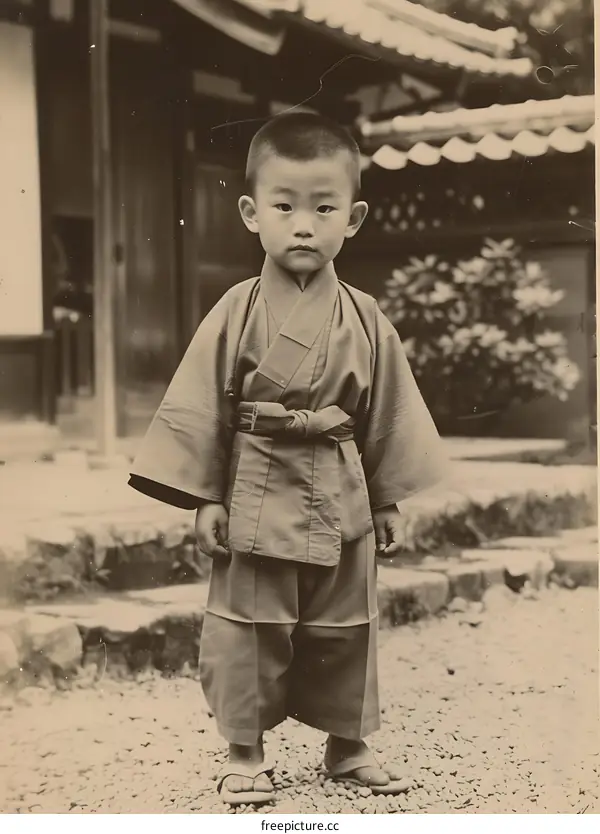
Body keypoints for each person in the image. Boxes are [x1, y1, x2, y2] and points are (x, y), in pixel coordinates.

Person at [128, 111, 448, 807]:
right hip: (254, 488)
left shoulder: (366, 317)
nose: (304, 225)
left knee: (347, 621)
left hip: (340, 487)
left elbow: (387, 411)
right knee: (248, 624)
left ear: (353, 219)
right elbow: (200, 407)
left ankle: (348, 744)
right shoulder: (235, 310)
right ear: (252, 214)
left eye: (323, 208)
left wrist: (387, 497)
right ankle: (245, 751)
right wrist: (205, 497)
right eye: (284, 207)